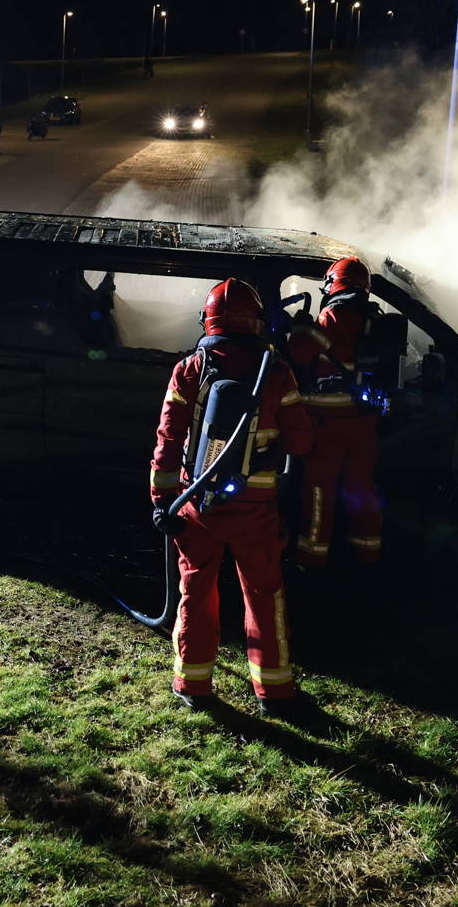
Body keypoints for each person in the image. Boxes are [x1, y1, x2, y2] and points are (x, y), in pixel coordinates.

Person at [149, 278, 314, 714]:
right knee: (263, 593)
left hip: (196, 506)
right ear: (254, 321)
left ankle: (193, 685)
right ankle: (275, 691)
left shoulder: (189, 369)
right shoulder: (276, 371)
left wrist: (161, 501)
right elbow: (300, 442)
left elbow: (168, 440)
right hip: (255, 509)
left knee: (196, 590)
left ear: (208, 320)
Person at [285, 256, 384, 567]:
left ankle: (311, 559)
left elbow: (303, 351)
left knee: (319, 492)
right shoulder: (372, 316)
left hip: (330, 425)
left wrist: (300, 328)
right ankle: (365, 553)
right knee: (361, 489)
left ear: (333, 283)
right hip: (363, 423)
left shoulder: (337, 312)